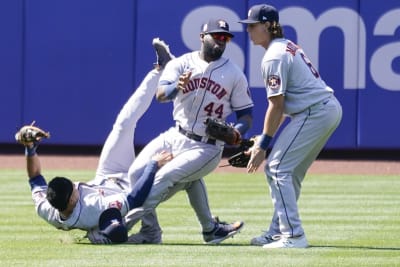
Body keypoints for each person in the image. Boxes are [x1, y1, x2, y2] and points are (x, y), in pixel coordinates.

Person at [23, 38, 175, 244]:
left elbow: (35, 179)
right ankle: (150, 232)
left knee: (123, 124)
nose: (76, 185)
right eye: (73, 189)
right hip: (128, 191)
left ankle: (161, 70)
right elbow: (134, 199)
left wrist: (30, 149)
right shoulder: (92, 209)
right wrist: (152, 165)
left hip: (107, 175)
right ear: (72, 200)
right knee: (174, 169)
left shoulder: (48, 208)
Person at [125, 18, 254, 244]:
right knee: (136, 173)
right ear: (203, 37)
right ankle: (156, 231)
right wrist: (178, 86)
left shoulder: (234, 74)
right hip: (176, 135)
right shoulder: (181, 64)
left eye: (226, 37)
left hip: (207, 147)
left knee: (163, 178)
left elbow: (246, 115)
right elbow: (161, 95)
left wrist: (236, 131)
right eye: (217, 36)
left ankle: (118, 226)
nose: (222, 41)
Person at [239, 4, 343, 248]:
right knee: (290, 172)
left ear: (267, 26)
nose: (249, 30)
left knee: (277, 168)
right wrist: (263, 138)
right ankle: (278, 231)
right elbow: (284, 105)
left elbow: (276, 105)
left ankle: (294, 236)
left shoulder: (274, 56)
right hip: (321, 109)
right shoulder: (284, 47)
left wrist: (263, 144)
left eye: (253, 25)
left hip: (315, 112)